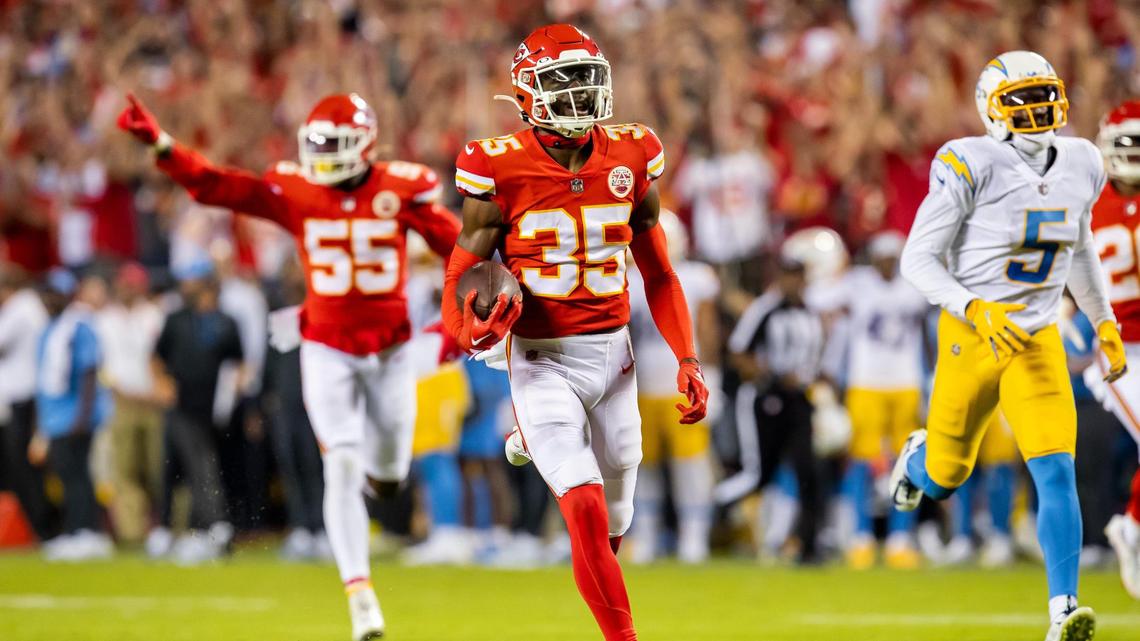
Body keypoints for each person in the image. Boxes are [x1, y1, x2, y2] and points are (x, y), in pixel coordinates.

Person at [118, 92, 459, 641]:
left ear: (365, 144)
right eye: (316, 144)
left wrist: (467, 310)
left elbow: (461, 253)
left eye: (334, 144)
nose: (322, 156)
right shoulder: (297, 190)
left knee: (389, 475)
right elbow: (218, 185)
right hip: (325, 346)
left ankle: (380, 488)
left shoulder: (399, 189)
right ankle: (360, 595)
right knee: (340, 462)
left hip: (390, 351)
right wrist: (163, 145)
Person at [442, 24, 708, 641]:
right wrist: (471, 333)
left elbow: (660, 273)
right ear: (527, 92)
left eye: (588, 78)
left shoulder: (633, 152)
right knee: (583, 506)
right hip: (540, 356)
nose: (580, 93)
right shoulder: (498, 165)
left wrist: (687, 358)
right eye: (564, 81)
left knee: (613, 523)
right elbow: (460, 272)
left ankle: (533, 438)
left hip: (616, 359)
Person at [889, 51, 1126, 641]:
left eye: (1044, 94)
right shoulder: (970, 161)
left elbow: (1079, 246)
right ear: (991, 109)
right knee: (946, 475)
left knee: (1055, 468)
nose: (1037, 108)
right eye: (1021, 99)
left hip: (1036, 338)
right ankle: (918, 460)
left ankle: (1063, 610)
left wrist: (1103, 319)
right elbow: (917, 259)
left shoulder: (1083, 160)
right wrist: (974, 306)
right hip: (971, 336)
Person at [828, 230, 929, 569]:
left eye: (891, 259)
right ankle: (861, 537)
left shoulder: (913, 286)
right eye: (881, 259)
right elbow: (821, 300)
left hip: (905, 381)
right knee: (860, 461)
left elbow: (926, 331)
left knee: (908, 461)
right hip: (866, 382)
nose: (886, 265)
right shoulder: (856, 284)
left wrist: (929, 375)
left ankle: (900, 538)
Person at [716, 254, 826, 564]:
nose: (793, 281)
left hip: (800, 400)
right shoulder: (764, 310)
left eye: (798, 274)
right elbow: (739, 354)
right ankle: (715, 509)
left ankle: (809, 546)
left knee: (808, 471)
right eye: (788, 274)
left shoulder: (810, 313)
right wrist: (774, 376)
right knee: (759, 474)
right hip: (766, 398)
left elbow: (814, 358)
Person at [626, 210, 721, 564]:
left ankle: (693, 536)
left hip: (681, 386)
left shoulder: (695, 277)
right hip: (640, 387)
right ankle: (646, 534)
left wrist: (712, 375)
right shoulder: (627, 277)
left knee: (691, 466)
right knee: (642, 465)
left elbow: (708, 332)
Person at [1084, 99, 1140, 599]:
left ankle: (1132, 525)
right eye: (1129, 144)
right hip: (1122, 352)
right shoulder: (1085, 202)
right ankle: (1132, 525)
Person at [152, 263, 242, 564]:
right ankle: (199, 527)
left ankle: (208, 528)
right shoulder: (177, 319)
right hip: (181, 405)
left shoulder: (226, 322)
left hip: (214, 410)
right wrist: (162, 384)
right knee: (184, 466)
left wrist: (233, 395)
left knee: (203, 465)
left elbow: (238, 362)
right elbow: (157, 357)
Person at [33, 268, 114, 561]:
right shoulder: (50, 328)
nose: (49, 300)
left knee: (78, 475)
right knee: (67, 476)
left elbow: (89, 372)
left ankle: (86, 532)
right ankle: (75, 530)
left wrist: (83, 416)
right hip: (55, 417)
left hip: (74, 416)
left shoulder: (78, 326)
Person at [96, 262, 166, 545]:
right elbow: (101, 362)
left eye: (131, 284)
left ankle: (166, 527)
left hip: (153, 400)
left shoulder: (154, 315)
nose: (126, 288)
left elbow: (163, 358)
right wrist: (115, 388)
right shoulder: (105, 319)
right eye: (123, 283)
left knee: (158, 466)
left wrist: (158, 388)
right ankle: (133, 532)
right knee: (125, 468)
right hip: (121, 400)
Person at [0, 265, 54, 542]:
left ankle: (43, 527)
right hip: (25, 396)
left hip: (24, 398)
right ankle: (39, 527)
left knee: (24, 465)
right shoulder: (28, 306)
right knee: (23, 466)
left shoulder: (21, 307)